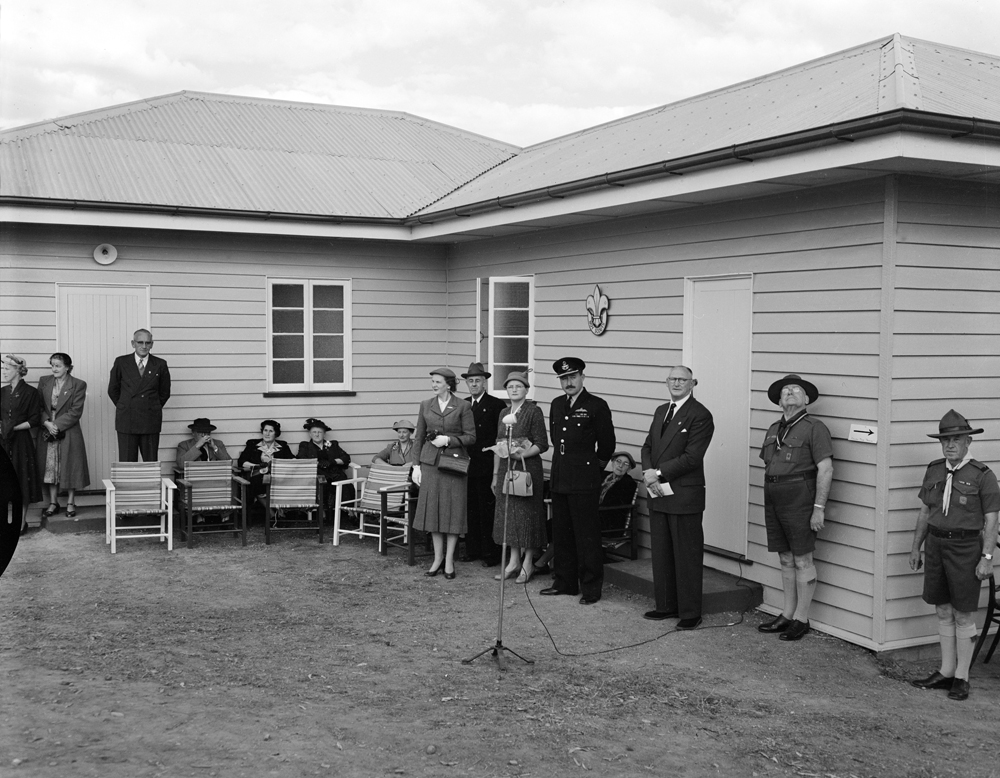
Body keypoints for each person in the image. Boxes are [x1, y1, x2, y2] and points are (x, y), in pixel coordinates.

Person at [909, 410, 999, 702]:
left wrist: (987, 557)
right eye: (945, 440)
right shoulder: (934, 470)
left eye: (956, 439)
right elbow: (925, 511)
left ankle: (962, 677)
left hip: (965, 548)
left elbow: (991, 519)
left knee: (963, 613)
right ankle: (946, 671)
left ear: (968, 441)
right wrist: (916, 546)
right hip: (936, 545)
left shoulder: (983, 475)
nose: (949, 445)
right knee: (943, 609)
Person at [757, 374, 833, 641]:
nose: (789, 393)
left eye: (796, 390)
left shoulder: (815, 428)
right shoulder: (773, 429)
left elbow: (825, 469)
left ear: (807, 399)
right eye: (785, 391)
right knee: (785, 557)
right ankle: (787, 614)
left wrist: (818, 507)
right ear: (779, 401)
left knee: (802, 558)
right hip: (774, 497)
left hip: (800, 498)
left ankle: (801, 618)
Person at [640, 366, 715, 629]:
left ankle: (690, 613)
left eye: (682, 379)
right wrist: (649, 473)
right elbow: (648, 446)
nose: (677, 383)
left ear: (693, 383)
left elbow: (692, 457)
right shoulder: (661, 410)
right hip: (658, 491)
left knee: (686, 556)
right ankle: (666, 606)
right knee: (662, 553)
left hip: (683, 494)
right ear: (666, 382)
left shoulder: (700, 414)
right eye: (672, 379)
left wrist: (658, 473)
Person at [542, 357, 616, 605]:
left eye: (573, 377)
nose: (569, 382)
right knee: (562, 533)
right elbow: (556, 439)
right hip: (561, 476)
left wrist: (593, 468)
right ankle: (565, 583)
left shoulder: (596, 405)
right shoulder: (557, 404)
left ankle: (591, 588)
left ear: (583, 377)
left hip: (584, 479)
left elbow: (607, 444)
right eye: (564, 378)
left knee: (586, 536)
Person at [410, 368, 476, 579]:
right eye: (432, 381)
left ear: (449, 384)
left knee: (453, 512)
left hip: (454, 465)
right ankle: (437, 559)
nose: (434, 385)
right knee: (433, 512)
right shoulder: (425, 405)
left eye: (438, 382)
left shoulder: (463, 406)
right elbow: (419, 437)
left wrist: (449, 440)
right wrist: (416, 466)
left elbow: (471, 437)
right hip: (430, 464)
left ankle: (449, 561)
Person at [490, 371, 548, 583]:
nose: (514, 390)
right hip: (506, 467)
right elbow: (499, 443)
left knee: (528, 514)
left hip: (527, 468)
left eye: (518, 386)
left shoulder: (533, 411)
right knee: (510, 514)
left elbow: (542, 443)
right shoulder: (504, 412)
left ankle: (527, 563)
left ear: (526, 389)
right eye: (510, 386)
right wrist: (495, 474)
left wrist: (522, 454)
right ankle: (513, 561)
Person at [462, 362, 507, 566]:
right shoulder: (463, 404)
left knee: (487, 510)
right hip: (466, 465)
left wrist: (496, 472)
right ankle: (472, 550)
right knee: (470, 509)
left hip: (488, 465)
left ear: (484, 383)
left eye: (477, 381)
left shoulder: (496, 405)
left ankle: (490, 553)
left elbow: (499, 438)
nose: (474, 384)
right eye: (470, 381)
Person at [36, 353, 90, 520]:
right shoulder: (44, 381)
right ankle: (53, 502)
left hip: (68, 431)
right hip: (47, 430)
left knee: (70, 466)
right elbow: (38, 406)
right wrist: (47, 423)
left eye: (58, 366)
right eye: (52, 365)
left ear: (67, 367)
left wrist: (56, 425)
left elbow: (75, 411)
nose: (54, 369)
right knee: (50, 467)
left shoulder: (78, 384)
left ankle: (71, 502)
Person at [107, 329, 171, 462]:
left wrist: (152, 406)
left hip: (150, 420)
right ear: (133, 343)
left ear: (152, 344)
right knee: (127, 462)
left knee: (150, 462)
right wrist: (125, 405)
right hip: (127, 419)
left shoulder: (160, 364)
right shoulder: (121, 362)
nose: (144, 346)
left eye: (148, 343)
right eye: (140, 342)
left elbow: (164, 392)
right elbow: (113, 390)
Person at [1, 355, 42, 532]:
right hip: (3, 441)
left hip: (21, 443)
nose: (3, 372)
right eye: (3, 369)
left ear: (18, 371)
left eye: (7, 369)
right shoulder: (2, 392)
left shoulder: (31, 393)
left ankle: (21, 522)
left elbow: (34, 420)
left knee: (21, 481)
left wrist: (13, 428)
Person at [297, 418, 354, 509]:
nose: (317, 434)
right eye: (314, 432)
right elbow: (301, 459)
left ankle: (347, 511)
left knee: (345, 485)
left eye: (320, 432)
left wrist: (332, 462)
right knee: (323, 482)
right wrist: (318, 463)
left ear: (324, 434)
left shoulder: (332, 445)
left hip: (335, 474)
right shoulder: (305, 446)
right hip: (317, 475)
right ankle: (323, 511)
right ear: (310, 434)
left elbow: (346, 458)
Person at [237, 420, 294, 502]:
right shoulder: (252, 444)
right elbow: (241, 461)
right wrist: (257, 466)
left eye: (271, 431)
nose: (267, 434)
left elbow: (291, 460)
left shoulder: (283, 446)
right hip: (257, 478)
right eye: (265, 430)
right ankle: (268, 508)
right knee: (257, 480)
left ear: (276, 433)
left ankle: (270, 507)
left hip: (277, 478)